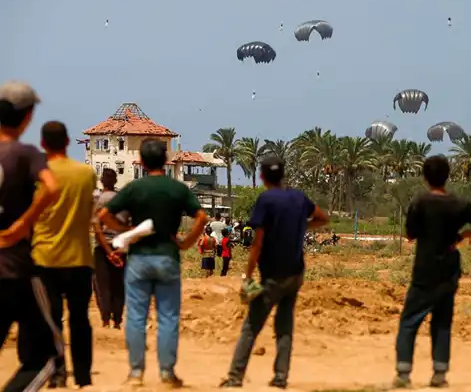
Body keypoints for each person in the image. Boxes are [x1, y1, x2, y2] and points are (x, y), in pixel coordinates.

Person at [98, 139, 208, 387]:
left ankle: (136, 373)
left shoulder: (134, 188)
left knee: (136, 316)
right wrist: (186, 242)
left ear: (141, 162)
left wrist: (127, 231)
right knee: (168, 317)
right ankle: (167, 373)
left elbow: (104, 215)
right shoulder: (177, 189)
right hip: (168, 257)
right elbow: (201, 217)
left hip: (139, 258)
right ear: (166, 160)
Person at [220, 154, 329, 389]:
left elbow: (257, 242)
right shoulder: (298, 197)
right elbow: (322, 217)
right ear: (283, 174)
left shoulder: (266, 200)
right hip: (296, 273)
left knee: (251, 326)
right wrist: (302, 226)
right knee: (285, 326)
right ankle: (281, 377)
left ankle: (235, 377)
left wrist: (248, 274)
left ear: (262, 176)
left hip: (273, 275)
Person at [393, 155, 471, 388]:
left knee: (409, 322)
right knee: (441, 323)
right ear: (447, 176)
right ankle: (439, 374)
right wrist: (465, 234)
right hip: (449, 272)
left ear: (425, 177)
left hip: (424, 271)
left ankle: (403, 373)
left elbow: (410, 235)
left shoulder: (419, 203)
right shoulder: (459, 204)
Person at [0, 80, 63, 392]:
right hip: (15, 268)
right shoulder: (25, 154)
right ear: (27, 116)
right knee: (47, 356)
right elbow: (51, 187)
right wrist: (23, 224)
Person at [31, 121, 97, 388]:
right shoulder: (86, 173)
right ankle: (83, 376)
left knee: (52, 321)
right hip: (80, 257)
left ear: (42, 144)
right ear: (68, 142)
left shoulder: (38, 174)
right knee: (80, 319)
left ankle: (57, 372)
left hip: (45, 257)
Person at [92, 169, 128, 330]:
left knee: (102, 285)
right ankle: (117, 320)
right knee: (118, 284)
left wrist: (108, 251)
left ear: (102, 181)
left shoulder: (98, 199)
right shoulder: (124, 201)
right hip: (120, 247)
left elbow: (97, 228)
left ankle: (105, 320)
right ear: (115, 181)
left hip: (102, 247)